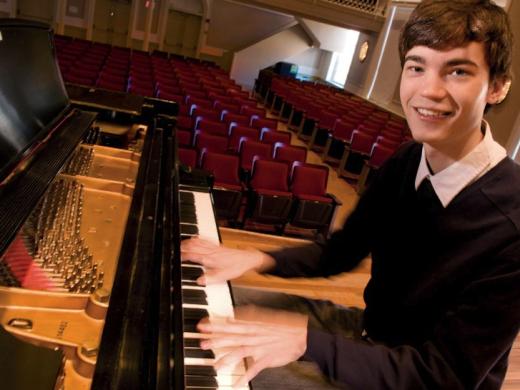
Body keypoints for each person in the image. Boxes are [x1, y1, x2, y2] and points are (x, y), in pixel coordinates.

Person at [181, 0, 520, 388]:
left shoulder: (513, 224)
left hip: (416, 374)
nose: (429, 90)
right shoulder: (407, 160)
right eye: (416, 66)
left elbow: (443, 376)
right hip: (366, 332)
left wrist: (306, 343)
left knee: (228, 372)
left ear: (496, 87)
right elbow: (341, 251)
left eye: (458, 71)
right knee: (207, 310)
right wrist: (256, 258)